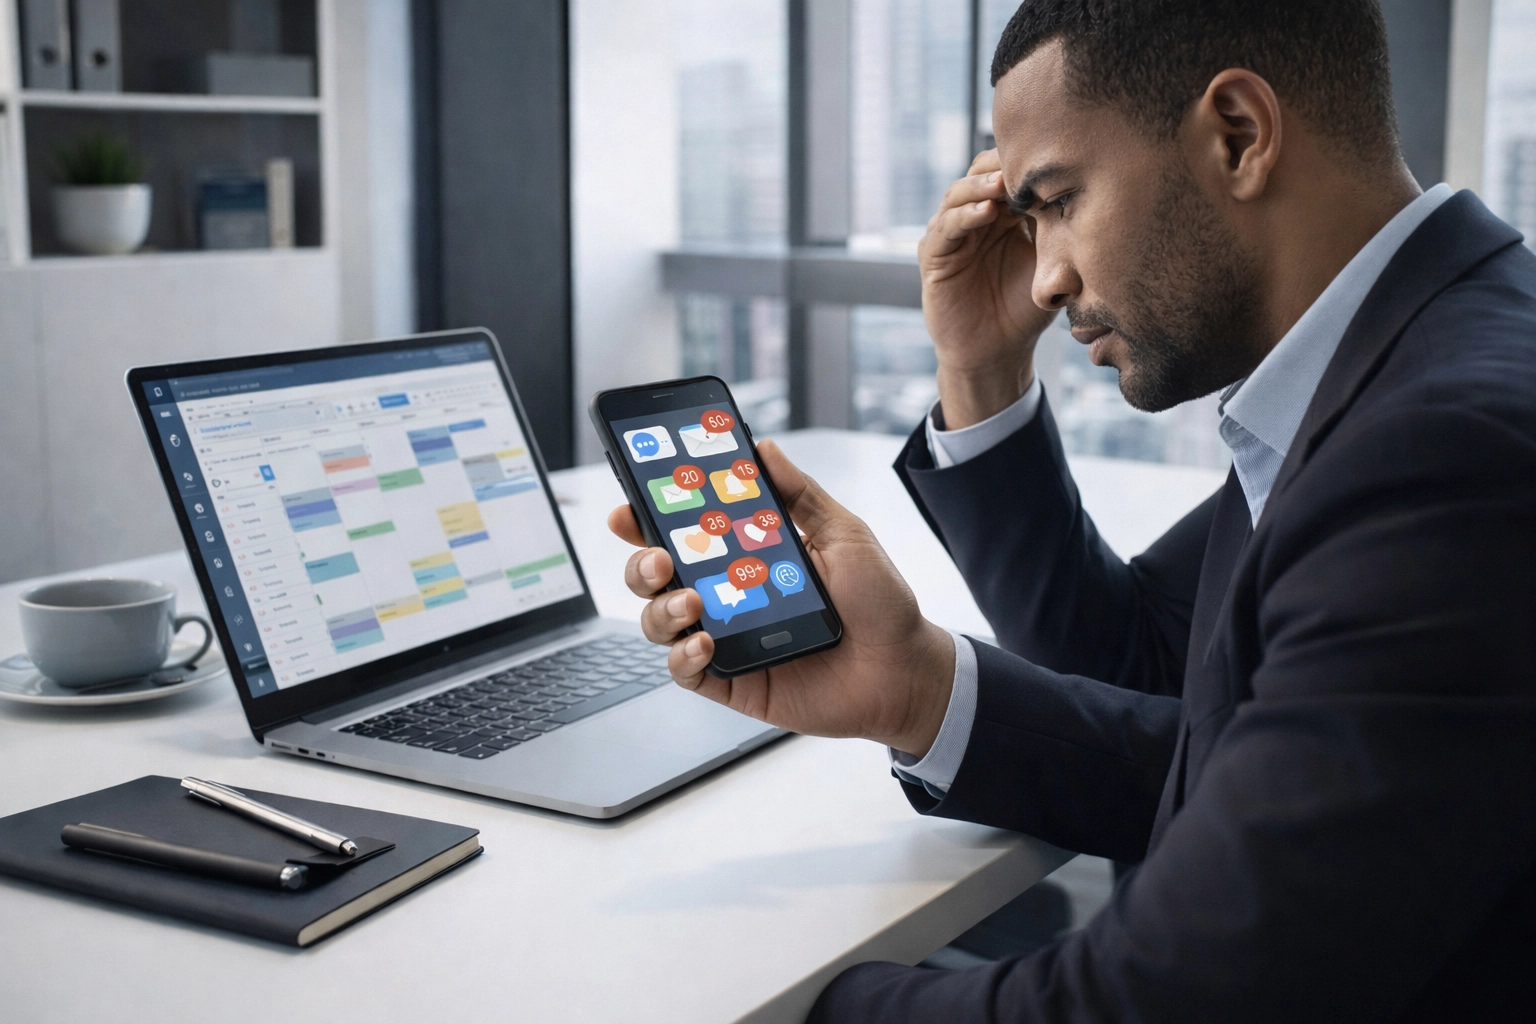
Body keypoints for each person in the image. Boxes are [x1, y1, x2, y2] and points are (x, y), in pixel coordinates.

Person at [609, 0, 1536, 1018]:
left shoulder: (1445, 452)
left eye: (1056, 199)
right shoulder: (1397, 369)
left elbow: (1173, 1001)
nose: (1044, 276)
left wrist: (770, 1005)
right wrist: (915, 684)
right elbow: (1186, 708)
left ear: (1238, 134)